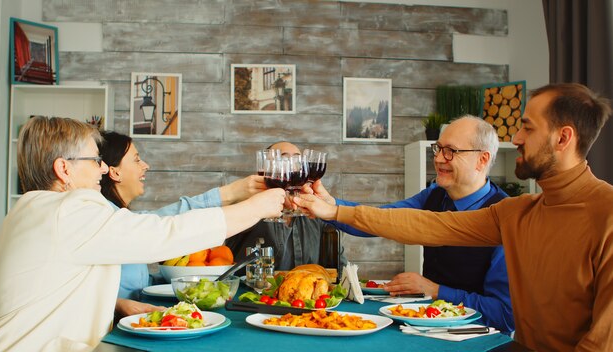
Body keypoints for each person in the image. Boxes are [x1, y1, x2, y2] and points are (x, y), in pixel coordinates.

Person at [295, 83, 613, 351]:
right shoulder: (517, 211)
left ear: (563, 138)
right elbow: (428, 224)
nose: (515, 137)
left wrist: (435, 290)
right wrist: (335, 210)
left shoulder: (607, 215)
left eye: (527, 127)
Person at [0, 117, 284, 351]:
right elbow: (163, 234)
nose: (103, 168)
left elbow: (51, 285)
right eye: (94, 160)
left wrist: (114, 304)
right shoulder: (71, 208)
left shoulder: (28, 211)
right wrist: (255, 208)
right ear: (64, 168)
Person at [309, 116, 513, 332]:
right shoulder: (434, 196)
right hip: (428, 330)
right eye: (439, 148)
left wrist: (436, 291)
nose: (439, 159)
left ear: (482, 159)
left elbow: (504, 315)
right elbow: (381, 220)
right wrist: (330, 206)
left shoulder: (506, 219)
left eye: (451, 151)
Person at [98, 131, 266, 318]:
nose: (146, 165)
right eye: (137, 160)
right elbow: (169, 222)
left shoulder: (123, 215)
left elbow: (134, 282)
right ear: (114, 172)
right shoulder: (107, 219)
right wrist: (233, 194)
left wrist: (179, 275)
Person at [225, 141, 343, 272]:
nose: (291, 166)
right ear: (267, 168)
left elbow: (339, 267)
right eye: (283, 159)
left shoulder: (316, 213)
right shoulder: (247, 206)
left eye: (297, 160)